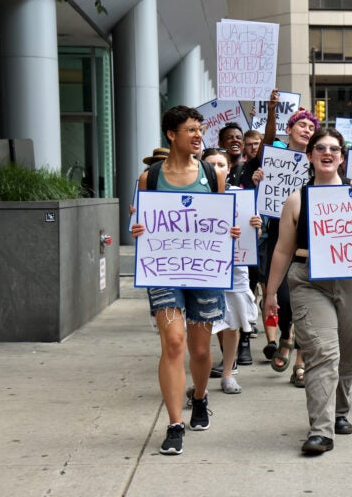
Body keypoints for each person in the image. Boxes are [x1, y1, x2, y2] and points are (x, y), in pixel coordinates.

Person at [130, 105, 240, 455]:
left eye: (200, 129)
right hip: (164, 270)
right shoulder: (149, 177)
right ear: (171, 135)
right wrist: (137, 230)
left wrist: (230, 230)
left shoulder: (212, 174)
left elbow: (220, 220)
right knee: (174, 343)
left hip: (204, 270)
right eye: (191, 130)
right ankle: (175, 424)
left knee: (200, 349)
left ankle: (201, 396)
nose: (198, 136)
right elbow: (142, 224)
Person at [263, 127, 352, 454]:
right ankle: (321, 430)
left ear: (342, 157)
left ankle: (338, 411)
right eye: (320, 148)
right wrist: (270, 294)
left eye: (334, 149)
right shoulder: (297, 199)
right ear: (309, 156)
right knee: (324, 351)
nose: (327, 153)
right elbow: (282, 249)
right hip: (308, 279)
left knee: (349, 348)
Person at [254, 90, 318, 384]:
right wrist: (271, 112)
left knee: (307, 300)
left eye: (312, 127)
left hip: (307, 238)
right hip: (276, 235)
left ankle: (302, 361)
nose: (307, 129)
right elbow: (264, 143)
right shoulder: (274, 152)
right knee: (282, 295)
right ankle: (287, 332)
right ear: (289, 128)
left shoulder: (318, 158)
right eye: (302, 125)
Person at [201, 148, 262, 394]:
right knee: (202, 321)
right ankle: (201, 378)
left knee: (233, 322)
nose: (217, 168)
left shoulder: (242, 196)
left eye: (221, 164)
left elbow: (253, 236)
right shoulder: (195, 195)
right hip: (203, 268)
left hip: (236, 267)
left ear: (229, 168)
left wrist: (255, 227)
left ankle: (228, 373)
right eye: (211, 164)